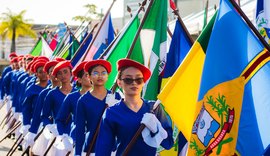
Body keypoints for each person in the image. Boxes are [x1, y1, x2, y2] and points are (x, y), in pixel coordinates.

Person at [95, 59, 174, 156]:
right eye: (128, 80)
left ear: (143, 82)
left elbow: (169, 143)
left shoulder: (154, 108)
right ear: (119, 82)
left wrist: (157, 130)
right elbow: (103, 149)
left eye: (138, 79)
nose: (134, 83)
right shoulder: (111, 113)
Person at [75, 59, 121, 155]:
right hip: (92, 148)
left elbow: (122, 124)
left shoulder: (115, 96)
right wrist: (78, 153)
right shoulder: (83, 100)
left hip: (112, 147)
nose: (100, 76)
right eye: (96, 73)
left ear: (107, 76)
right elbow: (80, 129)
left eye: (103, 73)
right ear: (89, 76)